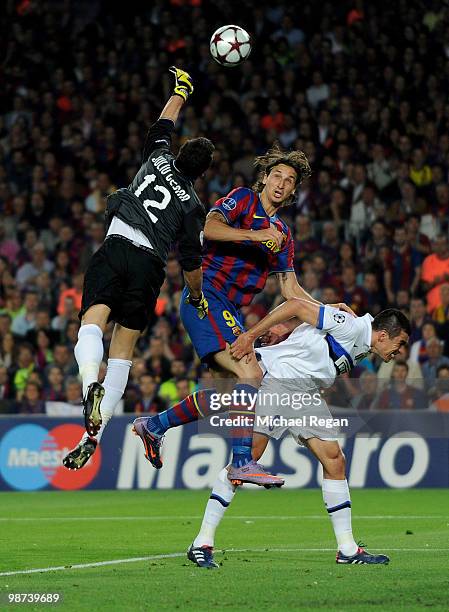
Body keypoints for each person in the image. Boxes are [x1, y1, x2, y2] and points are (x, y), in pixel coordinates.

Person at [134, 144, 352, 486]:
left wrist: (325, 311)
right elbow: (210, 227)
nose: (281, 183)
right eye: (276, 175)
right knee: (250, 370)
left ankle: (154, 425)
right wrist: (256, 235)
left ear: (294, 190)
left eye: (289, 180)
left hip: (228, 310)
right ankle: (241, 462)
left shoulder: (283, 235)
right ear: (264, 179)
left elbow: (291, 291)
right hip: (206, 297)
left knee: (228, 396)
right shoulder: (243, 201)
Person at [63, 67, 215, 470]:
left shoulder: (158, 155)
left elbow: (163, 122)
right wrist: (197, 295)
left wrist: (181, 91)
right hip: (149, 266)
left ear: (179, 152)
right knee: (123, 356)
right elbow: (191, 263)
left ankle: (87, 388)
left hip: (116, 245)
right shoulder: (193, 208)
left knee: (92, 325)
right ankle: (90, 437)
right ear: (202, 174)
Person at [186, 301, 410, 567]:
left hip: (304, 394)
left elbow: (310, 325)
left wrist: (294, 324)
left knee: (334, 459)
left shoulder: (363, 339)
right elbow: (296, 304)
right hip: (278, 380)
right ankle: (202, 542)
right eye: (401, 343)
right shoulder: (350, 325)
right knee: (246, 459)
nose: (400, 351)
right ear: (383, 335)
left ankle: (348, 549)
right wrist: (250, 336)